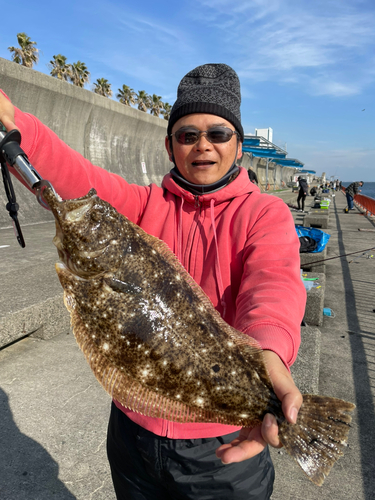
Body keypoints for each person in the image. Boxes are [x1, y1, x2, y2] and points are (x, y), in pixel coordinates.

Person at [0, 63, 305, 500]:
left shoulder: (263, 214)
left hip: (220, 446)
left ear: (238, 146)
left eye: (218, 134)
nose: (203, 146)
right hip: (132, 435)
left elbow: (273, 286)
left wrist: (269, 352)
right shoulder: (142, 207)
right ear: (170, 146)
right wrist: (16, 123)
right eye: (187, 135)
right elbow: (77, 183)